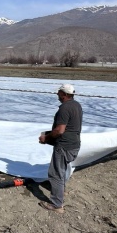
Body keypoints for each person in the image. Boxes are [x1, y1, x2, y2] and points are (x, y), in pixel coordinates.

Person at [38, 83, 82, 213]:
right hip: (74, 144)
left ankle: (57, 205)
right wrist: (47, 135)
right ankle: (61, 191)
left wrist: (46, 138)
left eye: (59, 92)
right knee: (62, 168)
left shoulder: (64, 109)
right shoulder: (76, 105)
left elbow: (60, 130)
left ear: (64, 94)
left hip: (64, 146)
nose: (57, 94)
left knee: (55, 174)